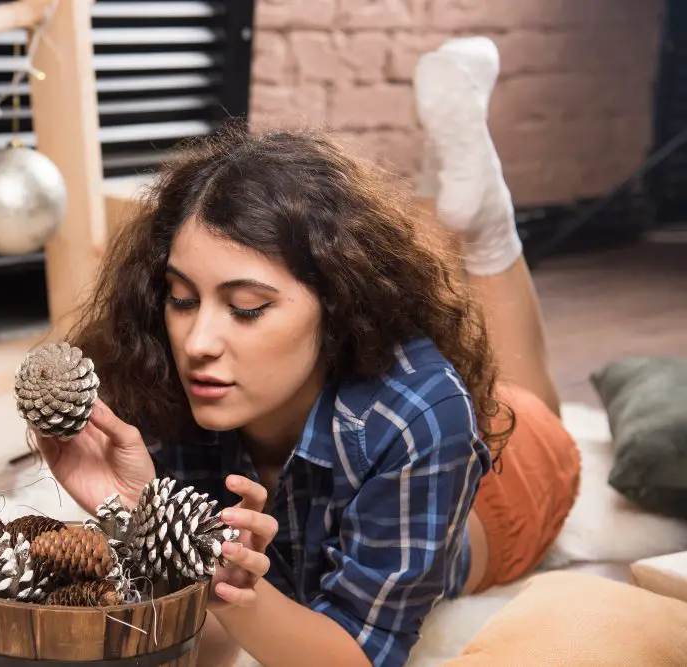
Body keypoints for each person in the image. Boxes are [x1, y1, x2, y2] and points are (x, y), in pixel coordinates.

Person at [34, 37, 581, 667]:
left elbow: (357, 654)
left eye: (246, 308)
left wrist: (231, 589)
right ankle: (457, 195)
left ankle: (487, 222)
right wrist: (140, 520)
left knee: (529, 400)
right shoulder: (155, 365)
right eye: (182, 298)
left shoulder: (420, 413)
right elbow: (191, 645)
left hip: (508, 492)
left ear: (340, 306)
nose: (197, 342)